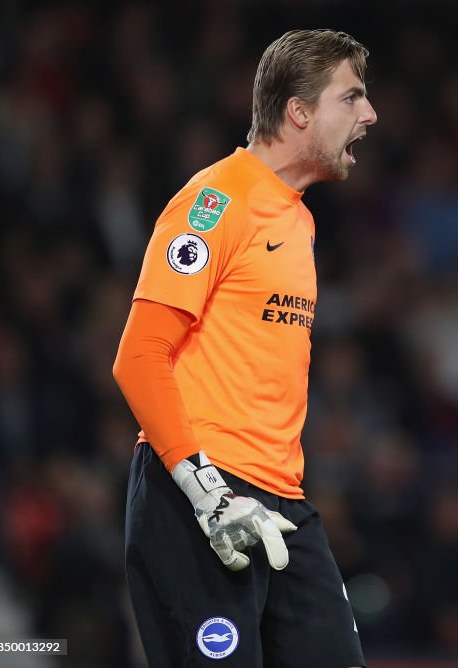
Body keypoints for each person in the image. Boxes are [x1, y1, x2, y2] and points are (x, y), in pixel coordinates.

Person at [113, 29, 377, 667]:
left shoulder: (298, 219)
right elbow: (139, 358)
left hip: (280, 504)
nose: (369, 116)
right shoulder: (214, 202)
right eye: (352, 98)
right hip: (199, 497)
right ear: (299, 111)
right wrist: (208, 493)